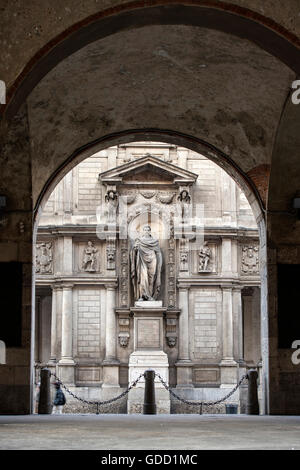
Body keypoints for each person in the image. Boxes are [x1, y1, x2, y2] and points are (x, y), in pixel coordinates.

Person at [130, 225, 162, 301]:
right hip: (142, 260)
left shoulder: (154, 241)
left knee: (151, 278)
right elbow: (133, 252)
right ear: (143, 232)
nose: (146, 231)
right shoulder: (139, 241)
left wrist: (159, 264)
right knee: (143, 278)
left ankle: (150, 295)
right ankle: (143, 295)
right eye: (145, 230)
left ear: (150, 231)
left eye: (148, 230)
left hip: (153, 260)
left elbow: (158, 253)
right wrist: (135, 249)